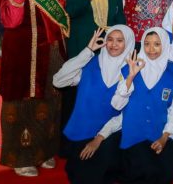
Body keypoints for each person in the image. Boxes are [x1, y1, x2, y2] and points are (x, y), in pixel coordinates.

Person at [0, 0, 70, 177]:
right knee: (22, 104)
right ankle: (21, 157)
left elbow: (60, 16)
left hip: (53, 51)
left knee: (50, 103)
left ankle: (45, 151)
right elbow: (10, 20)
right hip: (22, 54)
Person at [53, 25, 135, 184]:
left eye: (120, 40)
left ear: (129, 43)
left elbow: (124, 114)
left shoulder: (131, 71)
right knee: (80, 176)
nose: (113, 44)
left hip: (109, 134)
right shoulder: (90, 63)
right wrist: (88, 51)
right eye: (110, 39)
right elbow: (58, 81)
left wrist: (99, 138)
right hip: (82, 131)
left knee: (100, 173)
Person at [112, 28, 173, 184]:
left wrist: (164, 137)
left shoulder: (171, 76)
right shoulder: (128, 70)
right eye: (147, 44)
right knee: (142, 172)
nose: (151, 49)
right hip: (134, 137)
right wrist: (131, 76)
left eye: (157, 44)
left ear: (165, 46)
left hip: (158, 135)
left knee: (168, 171)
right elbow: (117, 105)